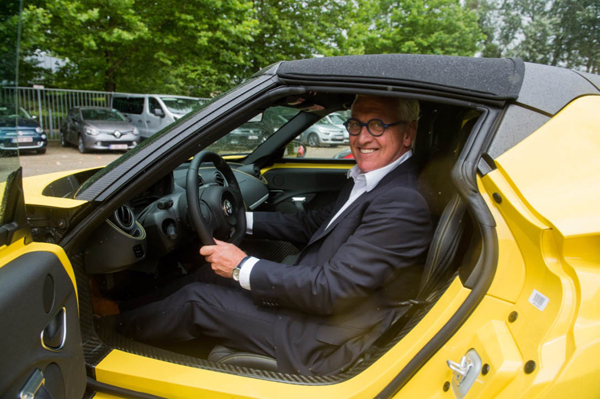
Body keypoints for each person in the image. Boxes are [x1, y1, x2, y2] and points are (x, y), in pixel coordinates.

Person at [115, 94, 433, 376]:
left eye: (377, 125)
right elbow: (311, 226)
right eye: (355, 125)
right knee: (209, 276)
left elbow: (332, 290)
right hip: (319, 306)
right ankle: (122, 308)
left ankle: (105, 332)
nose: (362, 138)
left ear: (408, 134)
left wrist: (241, 265)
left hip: (325, 338)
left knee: (195, 301)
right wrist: (239, 217)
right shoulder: (369, 179)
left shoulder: (402, 201)